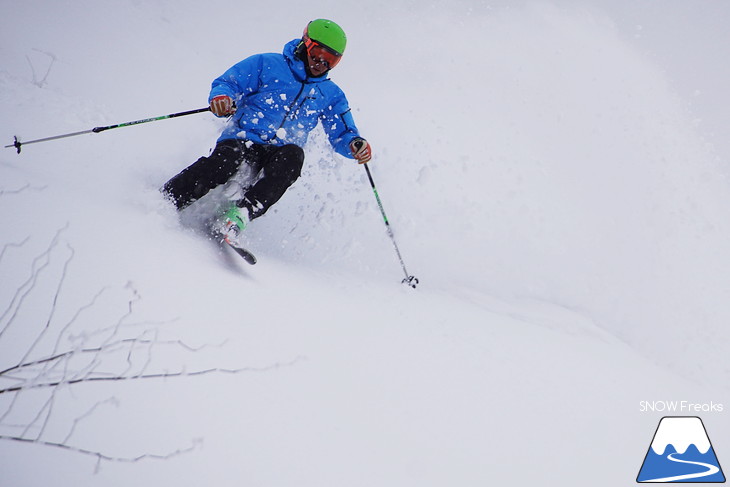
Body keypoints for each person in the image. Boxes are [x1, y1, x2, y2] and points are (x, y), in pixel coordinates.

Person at [161, 19, 372, 245]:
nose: (322, 62)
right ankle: (168, 199)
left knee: (294, 158)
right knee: (228, 159)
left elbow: (342, 133)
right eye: (318, 52)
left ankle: (238, 217)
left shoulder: (330, 94)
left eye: (331, 59)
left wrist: (355, 144)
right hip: (243, 139)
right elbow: (228, 83)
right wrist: (222, 98)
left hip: (278, 153)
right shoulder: (267, 64)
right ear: (304, 44)